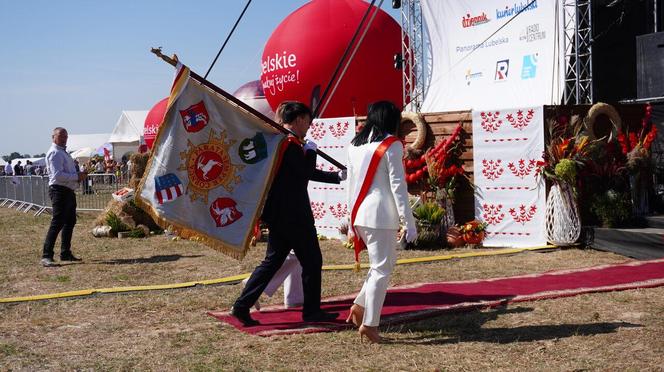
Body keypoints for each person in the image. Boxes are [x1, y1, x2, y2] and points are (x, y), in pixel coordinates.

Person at [230, 101, 340, 326]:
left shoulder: (283, 141)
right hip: (294, 214)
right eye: (308, 121)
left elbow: (302, 172)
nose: (309, 126)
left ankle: (242, 306)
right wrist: (311, 152)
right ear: (298, 119)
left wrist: (336, 176)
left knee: (273, 261)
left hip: (280, 213)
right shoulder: (288, 143)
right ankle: (311, 312)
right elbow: (303, 173)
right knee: (311, 260)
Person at [345, 101, 418, 343]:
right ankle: (370, 324)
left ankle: (359, 307)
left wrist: (349, 217)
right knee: (381, 269)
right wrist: (409, 221)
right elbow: (399, 186)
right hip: (380, 215)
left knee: (380, 266)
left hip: (361, 215)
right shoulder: (391, 145)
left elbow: (351, 185)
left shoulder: (355, 145)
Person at [41, 127, 87, 267]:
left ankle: (65, 253)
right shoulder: (55, 153)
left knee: (69, 222)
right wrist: (76, 176)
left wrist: (78, 176)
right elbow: (57, 176)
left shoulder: (62, 152)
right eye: (61, 136)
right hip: (59, 190)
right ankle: (46, 255)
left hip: (67, 191)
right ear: (53, 137)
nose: (64, 139)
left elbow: (65, 173)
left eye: (66, 136)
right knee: (58, 222)